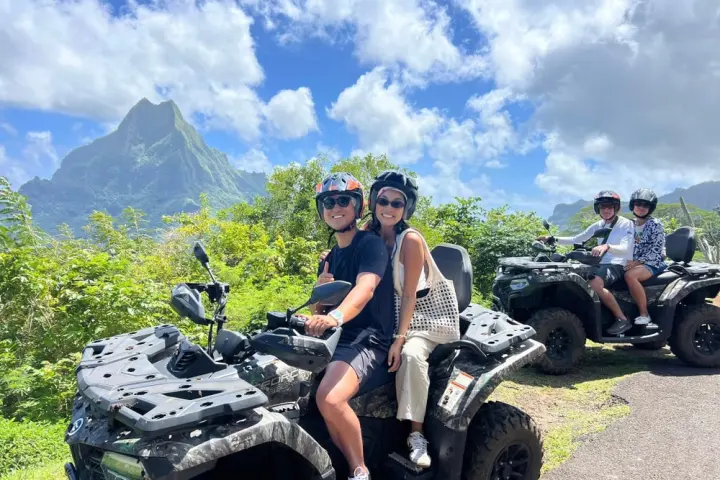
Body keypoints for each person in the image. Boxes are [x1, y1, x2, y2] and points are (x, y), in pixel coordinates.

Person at [300, 172, 395, 480]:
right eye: (328, 202)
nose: (335, 207)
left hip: (370, 338)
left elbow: (365, 289)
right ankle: (336, 462)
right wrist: (319, 295)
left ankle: (360, 470)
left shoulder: (370, 246)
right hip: (338, 337)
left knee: (329, 397)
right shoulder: (328, 258)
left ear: (358, 206)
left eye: (343, 200)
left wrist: (335, 317)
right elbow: (320, 308)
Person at [365, 170, 460, 468]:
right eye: (383, 200)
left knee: (410, 356)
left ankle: (416, 434)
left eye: (397, 203)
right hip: (388, 314)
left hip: (424, 316)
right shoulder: (369, 232)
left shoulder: (410, 240)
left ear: (406, 208)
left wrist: (399, 337)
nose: (389, 208)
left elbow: (408, 295)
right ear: (373, 202)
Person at [538, 190, 635, 335]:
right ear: (598, 209)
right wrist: (552, 239)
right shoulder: (598, 225)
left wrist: (607, 246)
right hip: (599, 263)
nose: (607, 210)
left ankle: (621, 319)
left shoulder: (626, 224)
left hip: (618, 264)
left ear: (616, 208)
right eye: (603, 207)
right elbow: (577, 239)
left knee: (595, 283)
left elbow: (626, 248)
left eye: (610, 207)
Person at [623, 188, 667, 329]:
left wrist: (636, 262)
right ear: (632, 205)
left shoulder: (656, 225)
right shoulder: (629, 224)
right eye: (638, 204)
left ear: (651, 208)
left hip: (653, 262)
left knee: (630, 276)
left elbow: (656, 250)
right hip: (632, 261)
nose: (641, 208)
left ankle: (644, 314)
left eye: (645, 205)